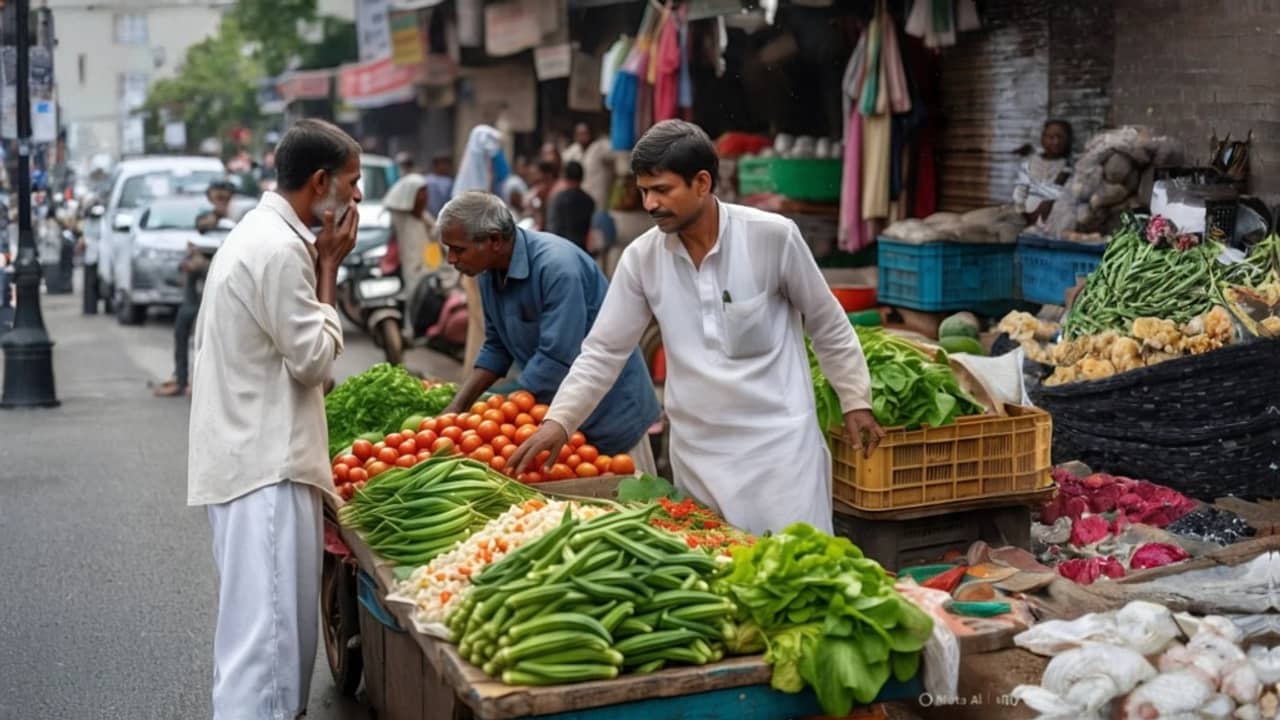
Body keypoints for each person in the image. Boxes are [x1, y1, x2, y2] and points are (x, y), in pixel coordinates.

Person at [511, 120, 883, 536]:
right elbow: (603, 351)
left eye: (662, 190)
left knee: (797, 573)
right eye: (644, 191)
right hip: (699, 457)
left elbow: (827, 322)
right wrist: (559, 421)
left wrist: (855, 400)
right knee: (719, 580)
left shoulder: (772, 237)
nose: (650, 204)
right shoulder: (641, 258)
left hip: (781, 453)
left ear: (702, 183)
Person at [187, 118, 360, 720]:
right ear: (320, 183)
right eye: (352, 182)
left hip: (255, 458)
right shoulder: (282, 248)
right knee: (268, 646)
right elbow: (313, 360)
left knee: (268, 638)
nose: (358, 197)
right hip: (264, 466)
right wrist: (329, 269)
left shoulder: (258, 234)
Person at [439, 191, 660, 470]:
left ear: (494, 240)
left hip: (610, 413)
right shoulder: (489, 273)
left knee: (628, 496)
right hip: (555, 420)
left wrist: (495, 410)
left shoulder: (557, 268)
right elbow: (496, 348)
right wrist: (457, 407)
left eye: (458, 249)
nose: (451, 259)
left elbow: (555, 359)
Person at [154, 179, 237, 398]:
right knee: (183, 330)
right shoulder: (206, 216)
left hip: (223, 285)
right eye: (216, 195)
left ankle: (212, 384)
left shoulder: (239, 218)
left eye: (224, 196)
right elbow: (202, 225)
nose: (220, 200)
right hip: (196, 287)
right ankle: (182, 379)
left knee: (217, 340)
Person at [382, 172, 443, 327]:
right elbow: (392, 202)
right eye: (420, 194)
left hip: (429, 263)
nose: (425, 198)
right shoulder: (401, 217)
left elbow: (436, 232)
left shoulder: (423, 216)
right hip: (412, 268)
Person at [1013, 119, 1073, 224]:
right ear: (1043, 139)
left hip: (1052, 219)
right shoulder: (1030, 162)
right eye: (1051, 137)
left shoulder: (1069, 167)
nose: (1056, 142)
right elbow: (1021, 189)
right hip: (1023, 216)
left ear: (1068, 140)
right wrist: (1021, 212)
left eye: (1060, 137)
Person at [564, 122, 616, 212]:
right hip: (580, 195)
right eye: (579, 134)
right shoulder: (574, 150)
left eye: (585, 133)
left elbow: (615, 155)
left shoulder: (600, 147)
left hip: (597, 194)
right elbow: (564, 160)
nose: (582, 137)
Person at [547, 161, 595, 251]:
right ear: (582, 178)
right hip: (582, 250)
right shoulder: (589, 201)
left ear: (565, 177)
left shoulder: (557, 199)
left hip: (561, 250)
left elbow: (552, 227)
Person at [423, 153, 454, 218]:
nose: (447, 167)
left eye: (448, 164)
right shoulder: (429, 181)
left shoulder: (449, 181)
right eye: (444, 164)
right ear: (435, 165)